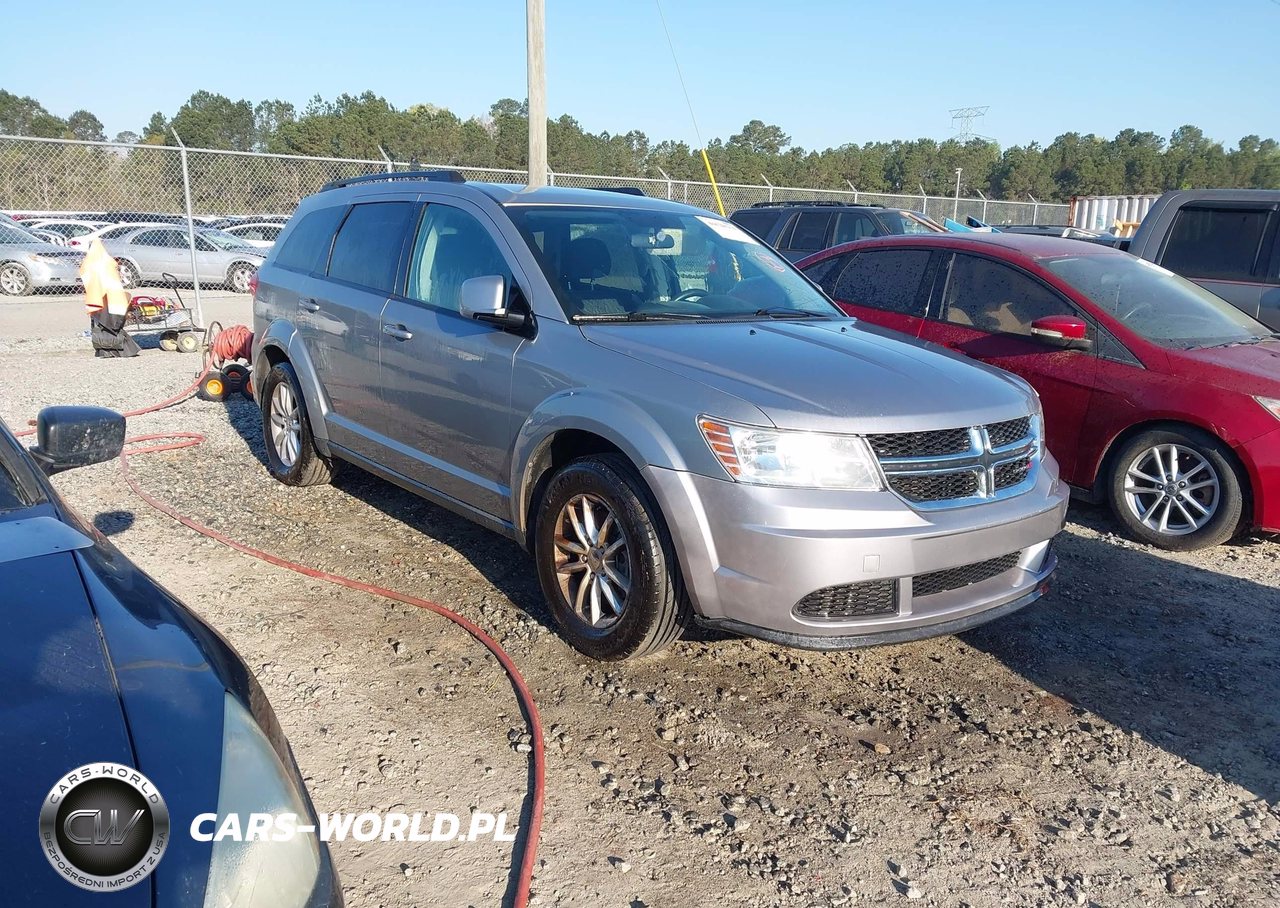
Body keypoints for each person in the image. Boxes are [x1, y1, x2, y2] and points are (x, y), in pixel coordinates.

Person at [80, 239, 139, 357]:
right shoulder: (108, 262)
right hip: (112, 297)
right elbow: (114, 279)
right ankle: (118, 348)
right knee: (113, 322)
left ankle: (106, 349)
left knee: (103, 324)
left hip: (98, 299)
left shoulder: (88, 263)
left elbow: (86, 277)